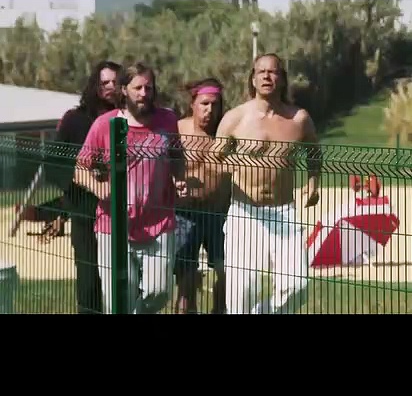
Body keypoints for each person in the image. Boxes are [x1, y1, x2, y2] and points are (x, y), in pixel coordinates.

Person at [74, 62, 187, 314]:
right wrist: (99, 188)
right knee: (118, 298)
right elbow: (80, 169)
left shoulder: (167, 120)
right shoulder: (105, 124)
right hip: (114, 225)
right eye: (138, 88)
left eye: (149, 88)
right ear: (124, 89)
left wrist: (179, 178)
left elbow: (177, 156)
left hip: (158, 223)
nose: (144, 94)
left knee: (159, 291)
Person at [215, 53, 321, 314]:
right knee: (241, 292)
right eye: (260, 72)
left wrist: (313, 182)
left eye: (272, 72)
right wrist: (236, 163)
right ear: (252, 79)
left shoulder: (298, 119)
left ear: (282, 79)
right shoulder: (236, 117)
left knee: (296, 286)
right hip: (245, 213)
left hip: (283, 213)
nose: (266, 76)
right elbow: (214, 157)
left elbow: (314, 152)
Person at [40, 61, 120, 314]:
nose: (111, 87)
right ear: (95, 85)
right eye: (105, 82)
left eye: (116, 82)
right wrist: (79, 181)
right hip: (85, 210)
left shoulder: (129, 118)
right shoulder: (74, 120)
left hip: (124, 212)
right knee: (89, 279)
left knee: (124, 279)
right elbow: (54, 163)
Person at [173, 78, 230, 314]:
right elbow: (161, 167)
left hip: (219, 215)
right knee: (186, 283)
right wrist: (173, 184)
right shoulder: (178, 131)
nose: (210, 110)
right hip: (184, 215)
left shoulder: (226, 134)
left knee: (227, 274)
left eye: (215, 105)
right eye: (205, 104)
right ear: (193, 104)